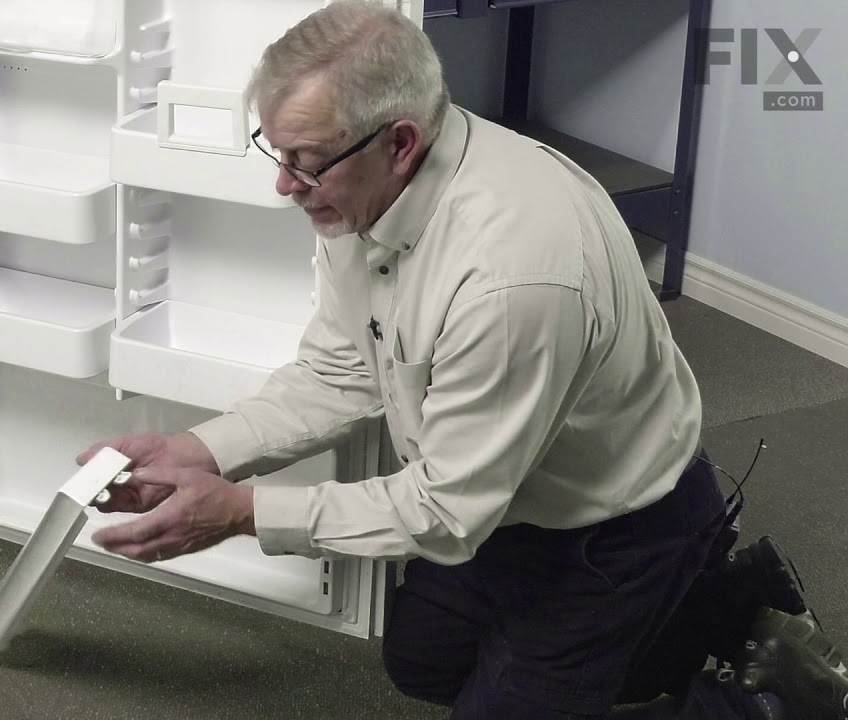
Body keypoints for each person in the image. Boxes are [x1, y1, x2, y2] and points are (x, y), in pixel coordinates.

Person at [76, 2, 848, 718]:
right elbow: (340, 372)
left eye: (305, 161)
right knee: (424, 663)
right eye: (277, 153)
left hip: (616, 521)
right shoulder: (362, 188)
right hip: (501, 497)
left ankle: (763, 686)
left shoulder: (514, 279)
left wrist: (240, 513)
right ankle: (715, 608)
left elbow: (446, 511)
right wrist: (199, 449)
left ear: (400, 142)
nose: (286, 185)